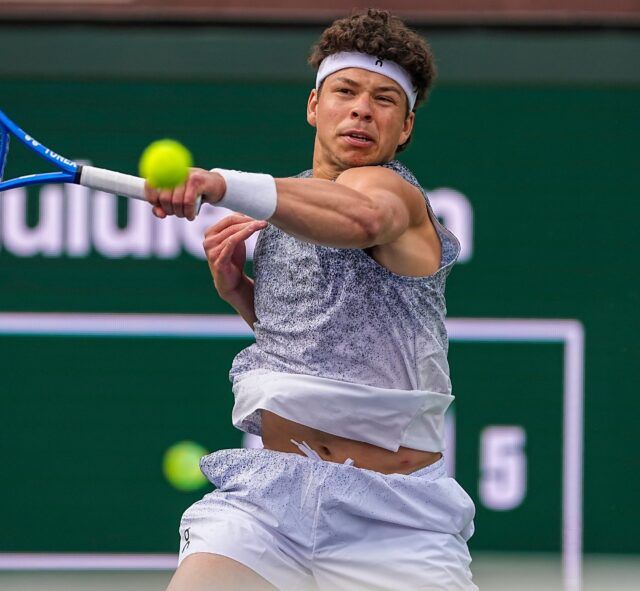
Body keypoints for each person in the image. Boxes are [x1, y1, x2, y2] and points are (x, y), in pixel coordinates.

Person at [145, 8, 477, 591]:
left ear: (404, 129)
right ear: (313, 106)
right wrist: (246, 299)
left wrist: (219, 183)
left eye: (384, 100)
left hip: (393, 519)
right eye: (345, 91)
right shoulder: (283, 213)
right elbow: (324, 344)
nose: (361, 110)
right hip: (273, 502)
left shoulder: (390, 194)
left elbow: (363, 217)